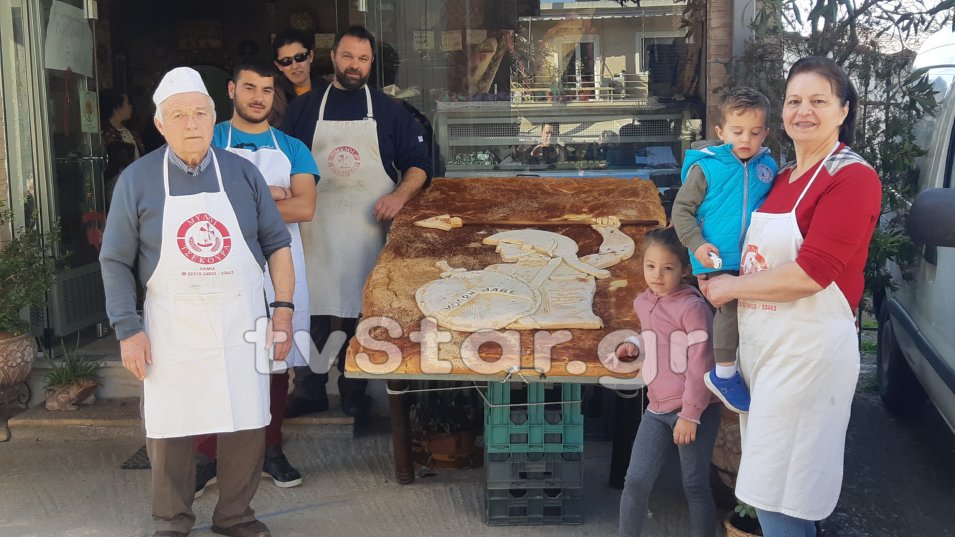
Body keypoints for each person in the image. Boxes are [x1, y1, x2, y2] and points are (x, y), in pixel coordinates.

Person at [100, 67, 294, 537]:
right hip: (171, 325)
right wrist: (128, 329)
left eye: (200, 113)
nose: (191, 123)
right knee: (170, 423)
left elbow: (277, 245)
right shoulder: (136, 180)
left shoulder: (243, 174)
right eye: (178, 114)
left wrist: (284, 311)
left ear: (214, 116)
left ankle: (235, 515)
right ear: (159, 123)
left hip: (240, 319)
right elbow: (115, 260)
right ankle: (172, 519)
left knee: (246, 418)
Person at [699, 57, 881, 536]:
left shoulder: (851, 178)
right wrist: (709, 265)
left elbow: (811, 274)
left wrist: (730, 288)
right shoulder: (779, 178)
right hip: (768, 353)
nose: (804, 111)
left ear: (843, 110)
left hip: (807, 356)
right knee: (773, 492)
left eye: (818, 100)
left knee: (782, 498)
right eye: (794, 100)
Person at [281, 25, 433, 417]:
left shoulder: (390, 111)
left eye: (363, 59)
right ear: (333, 57)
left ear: (371, 63)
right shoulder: (302, 110)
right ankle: (309, 389)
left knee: (359, 310)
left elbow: (419, 165)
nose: (355, 65)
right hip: (312, 230)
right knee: (311, 308)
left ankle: (354, 389)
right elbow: (281, 165)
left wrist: (398, 196)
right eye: (348, 56)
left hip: (365, 232)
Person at [190, 57, 319, 493]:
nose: (258, 97)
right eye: (249, 87)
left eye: (266, 89)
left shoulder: (293, 148)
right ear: (231, 90)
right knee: (216, 357)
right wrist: (272, 194)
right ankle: (207, 454)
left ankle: (270, 448)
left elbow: (305, 207)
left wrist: (243, 201)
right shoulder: (207, 142)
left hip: (279, 267)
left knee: (275, 361)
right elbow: (199, 202)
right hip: (217, 265)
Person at [671, 87, 777, 413]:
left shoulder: (769, 166)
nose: (746, 139)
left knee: (758, 309)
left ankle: (751, 366)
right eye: (737, 131)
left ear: (765, 133)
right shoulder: (707, 168)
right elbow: (681, 211)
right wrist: (697, 244)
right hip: (714, 253)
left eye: (755, 132)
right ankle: (724, 373)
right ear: (720, 131)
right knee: (729, 308)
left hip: (753, 255)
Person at [613, 227, 720, 537]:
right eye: (650, 266)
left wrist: (690, 415)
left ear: (685, 269)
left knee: (695, 484)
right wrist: (634, 343)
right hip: (657, 409)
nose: (657, 276)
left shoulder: (692, 307)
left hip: (695, 411)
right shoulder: (643, 302)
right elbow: (654, 336)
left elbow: (702, 361)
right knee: (635, 481)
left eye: (667, 268)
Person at [270, 29, 324, 126]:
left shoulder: (327, 89)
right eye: (286, 61)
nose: (295, 66)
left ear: (311, 56)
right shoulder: (272, 95)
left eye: (300, 57)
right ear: (279, 66)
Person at [100, 88, 145, 205]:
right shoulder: (105, 135)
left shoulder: (131, 133)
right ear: (117, 108)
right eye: (127, 103)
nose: (131, 107)